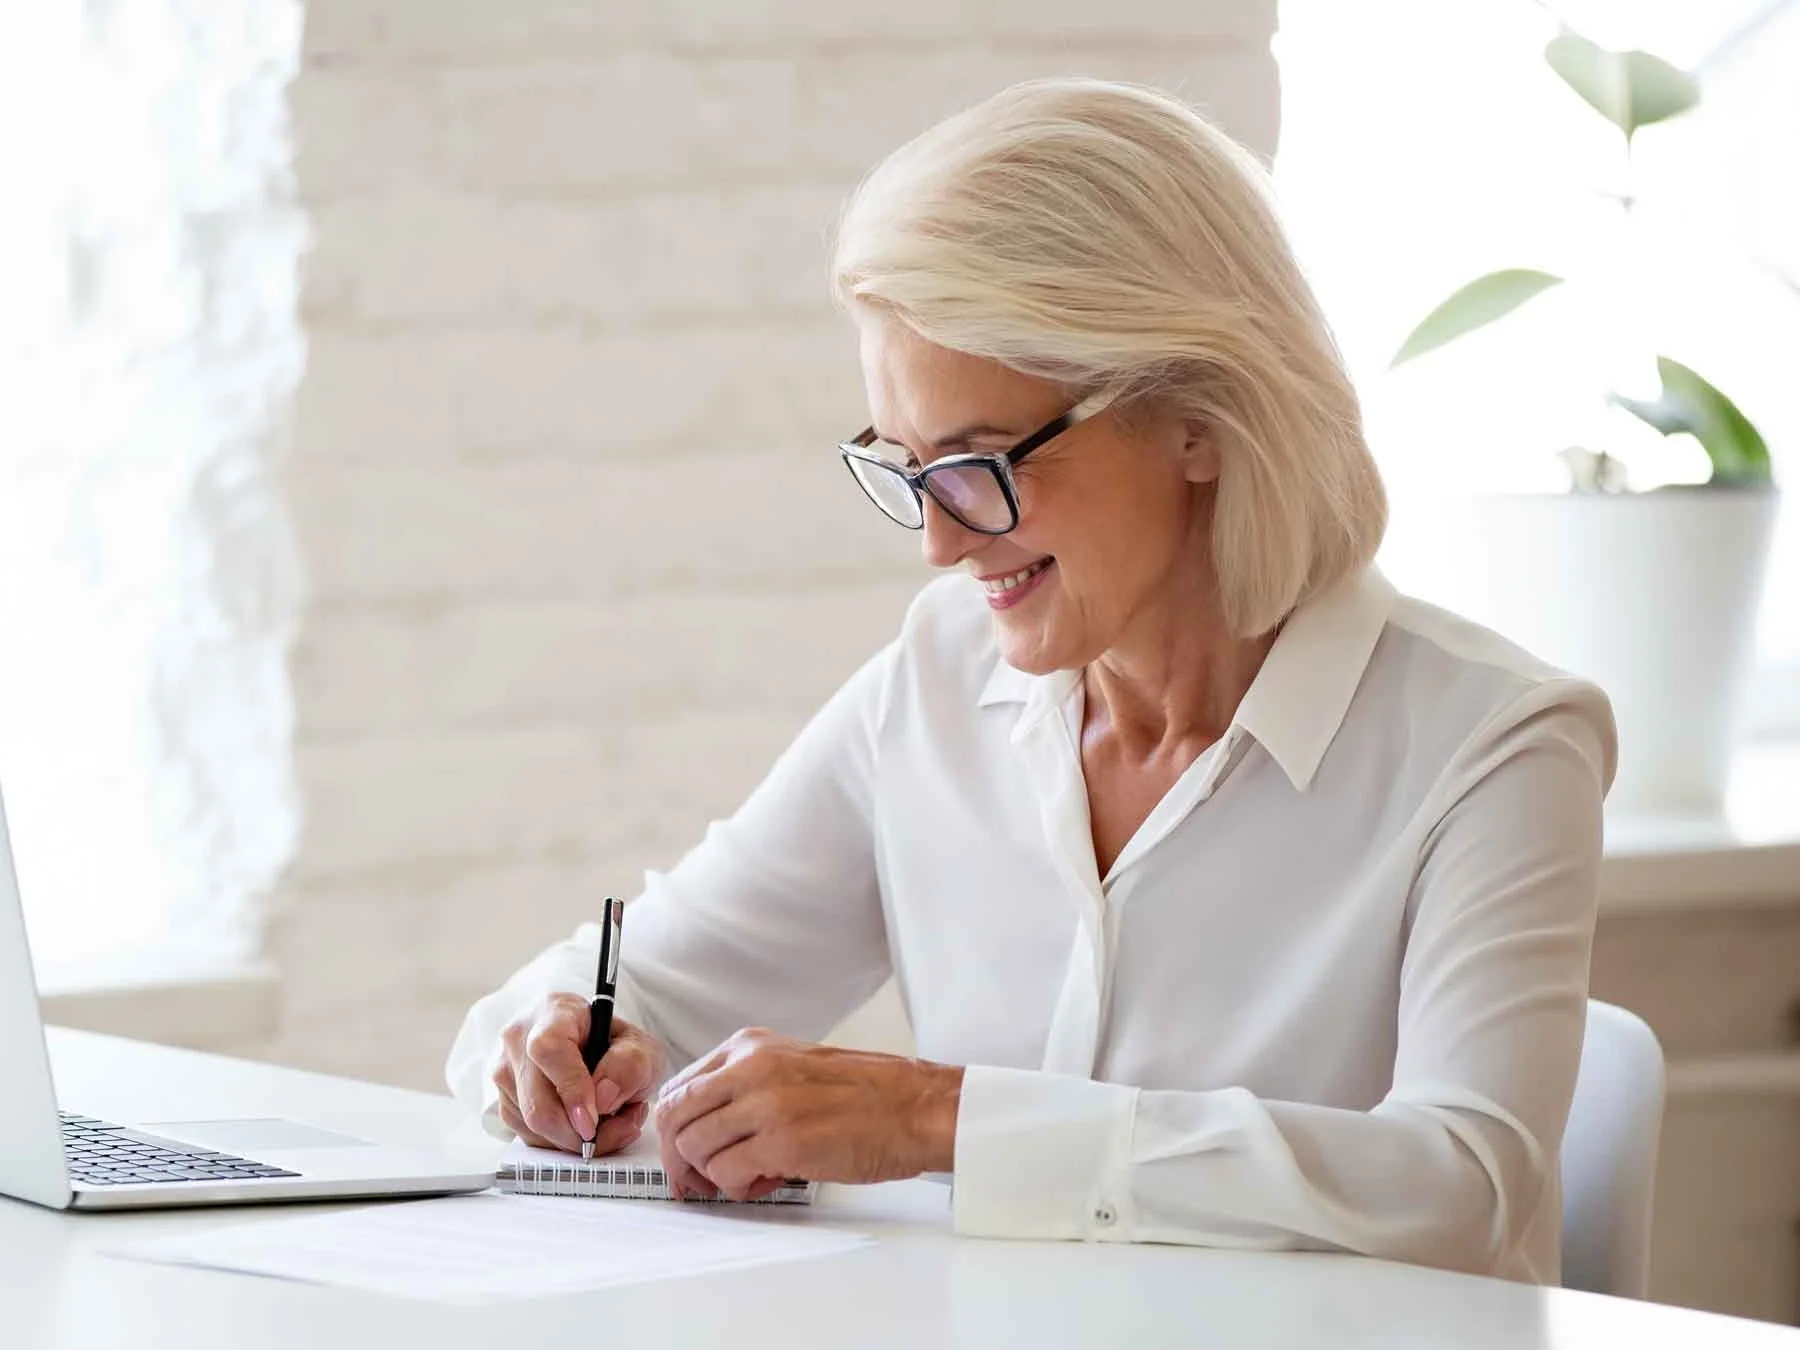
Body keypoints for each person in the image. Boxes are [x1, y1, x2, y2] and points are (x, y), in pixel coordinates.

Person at [445, 78, 1613, 1283]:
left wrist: (937, 1118)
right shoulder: (938, 684)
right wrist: (557, 1058)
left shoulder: (1495, 743)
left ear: (1201, 417)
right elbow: (629, 987)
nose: (940, 541)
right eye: (906, 468)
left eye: (980, 463)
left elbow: (1462, 1186)